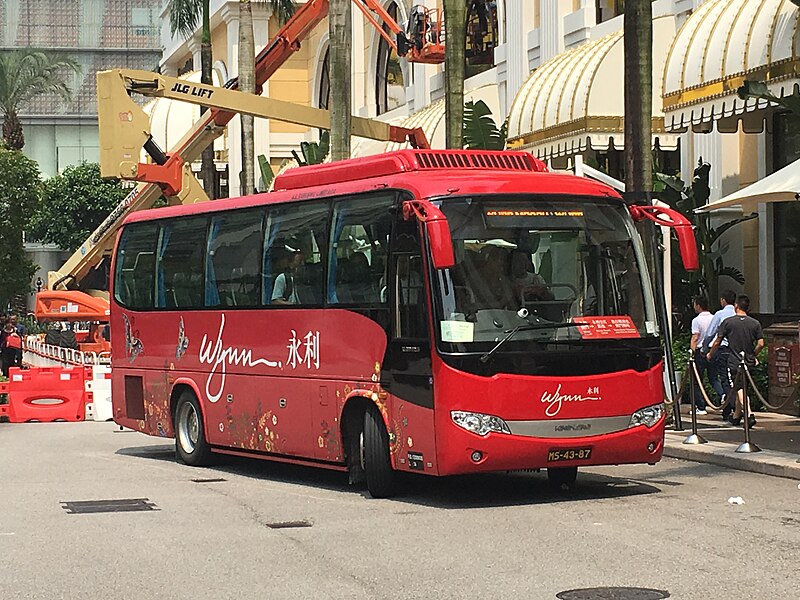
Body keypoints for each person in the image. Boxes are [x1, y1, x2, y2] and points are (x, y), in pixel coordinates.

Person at [708, 295, 764, 428]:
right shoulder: (755, 323)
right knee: (743, 387)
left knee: (738, 387)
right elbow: (761, 343)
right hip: (749, 360)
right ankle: (736, 416)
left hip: (734, 360)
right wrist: (753, 354)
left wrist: (710, 353)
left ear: (736, 306)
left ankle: (749, 414)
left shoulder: (728, 322)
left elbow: (718, 340)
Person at [701, 289, 737, 419]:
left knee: (725, 379)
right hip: (739, 350)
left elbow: (710, 334)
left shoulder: (720, 315)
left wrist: (705, 349)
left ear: (723, 300)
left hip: (724, 350)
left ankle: (731, 406)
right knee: (737, 379)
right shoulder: (738, 314)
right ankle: (730, 408)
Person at [689, 295, 713, 415]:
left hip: (699, 351)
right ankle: (725, 398)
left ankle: (701, 406)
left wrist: (691, 352)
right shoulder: (713, 318)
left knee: (697, 380)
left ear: (698, 305)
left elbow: (695, 337)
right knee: (714, 378)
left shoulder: (696, 320)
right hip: (712, 351)